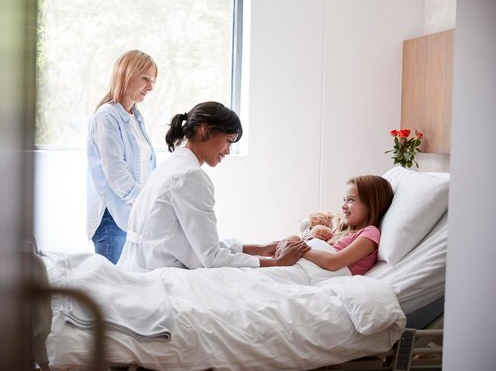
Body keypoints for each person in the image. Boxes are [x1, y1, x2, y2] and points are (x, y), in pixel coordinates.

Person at [117, 101, 310, 272]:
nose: (228, 150)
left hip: (136, 268)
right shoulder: (190, 176)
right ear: (204, 130)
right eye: (228, 141)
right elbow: (211, 257)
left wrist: (261, 248)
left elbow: (198, 243)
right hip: (157, 275)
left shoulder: (171, 165)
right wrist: (276, 263)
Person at [87, 50, 158, 264]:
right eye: (145, 78)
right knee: (113, 291)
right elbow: (117, 174)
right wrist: (145, 205)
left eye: (153, 80)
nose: (151, 87)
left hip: (133, 216)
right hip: (113, 217)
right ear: (125, 74)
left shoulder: (136, 117)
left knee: (129, 288)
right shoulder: (107, 116)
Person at [276, 175, 394, 275]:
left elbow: (333, 262)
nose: (343, 206)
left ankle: (267, 255)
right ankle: (263, 251)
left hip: (320, 271)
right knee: (293, 238)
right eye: (344, 199)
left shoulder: (370, 233)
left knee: (292, 242)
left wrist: (297, 249)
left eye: (351, 200)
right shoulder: (342, 229)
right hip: (310, 261)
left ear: (371, 206)